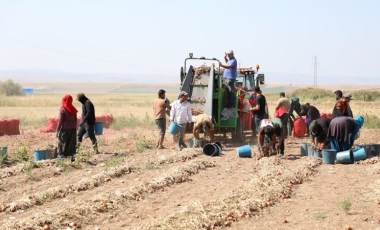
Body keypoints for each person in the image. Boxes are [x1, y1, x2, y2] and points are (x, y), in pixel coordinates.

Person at [56, 95, 78, 161]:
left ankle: (61, 155)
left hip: (65, 129)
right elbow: (75, 120)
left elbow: (60, 121)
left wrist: (57, 131)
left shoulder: (63, 110)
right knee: (71, 143)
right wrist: (75, 127)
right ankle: (71, 155)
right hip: (73, 129)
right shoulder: (73, 109)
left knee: (62, 142)